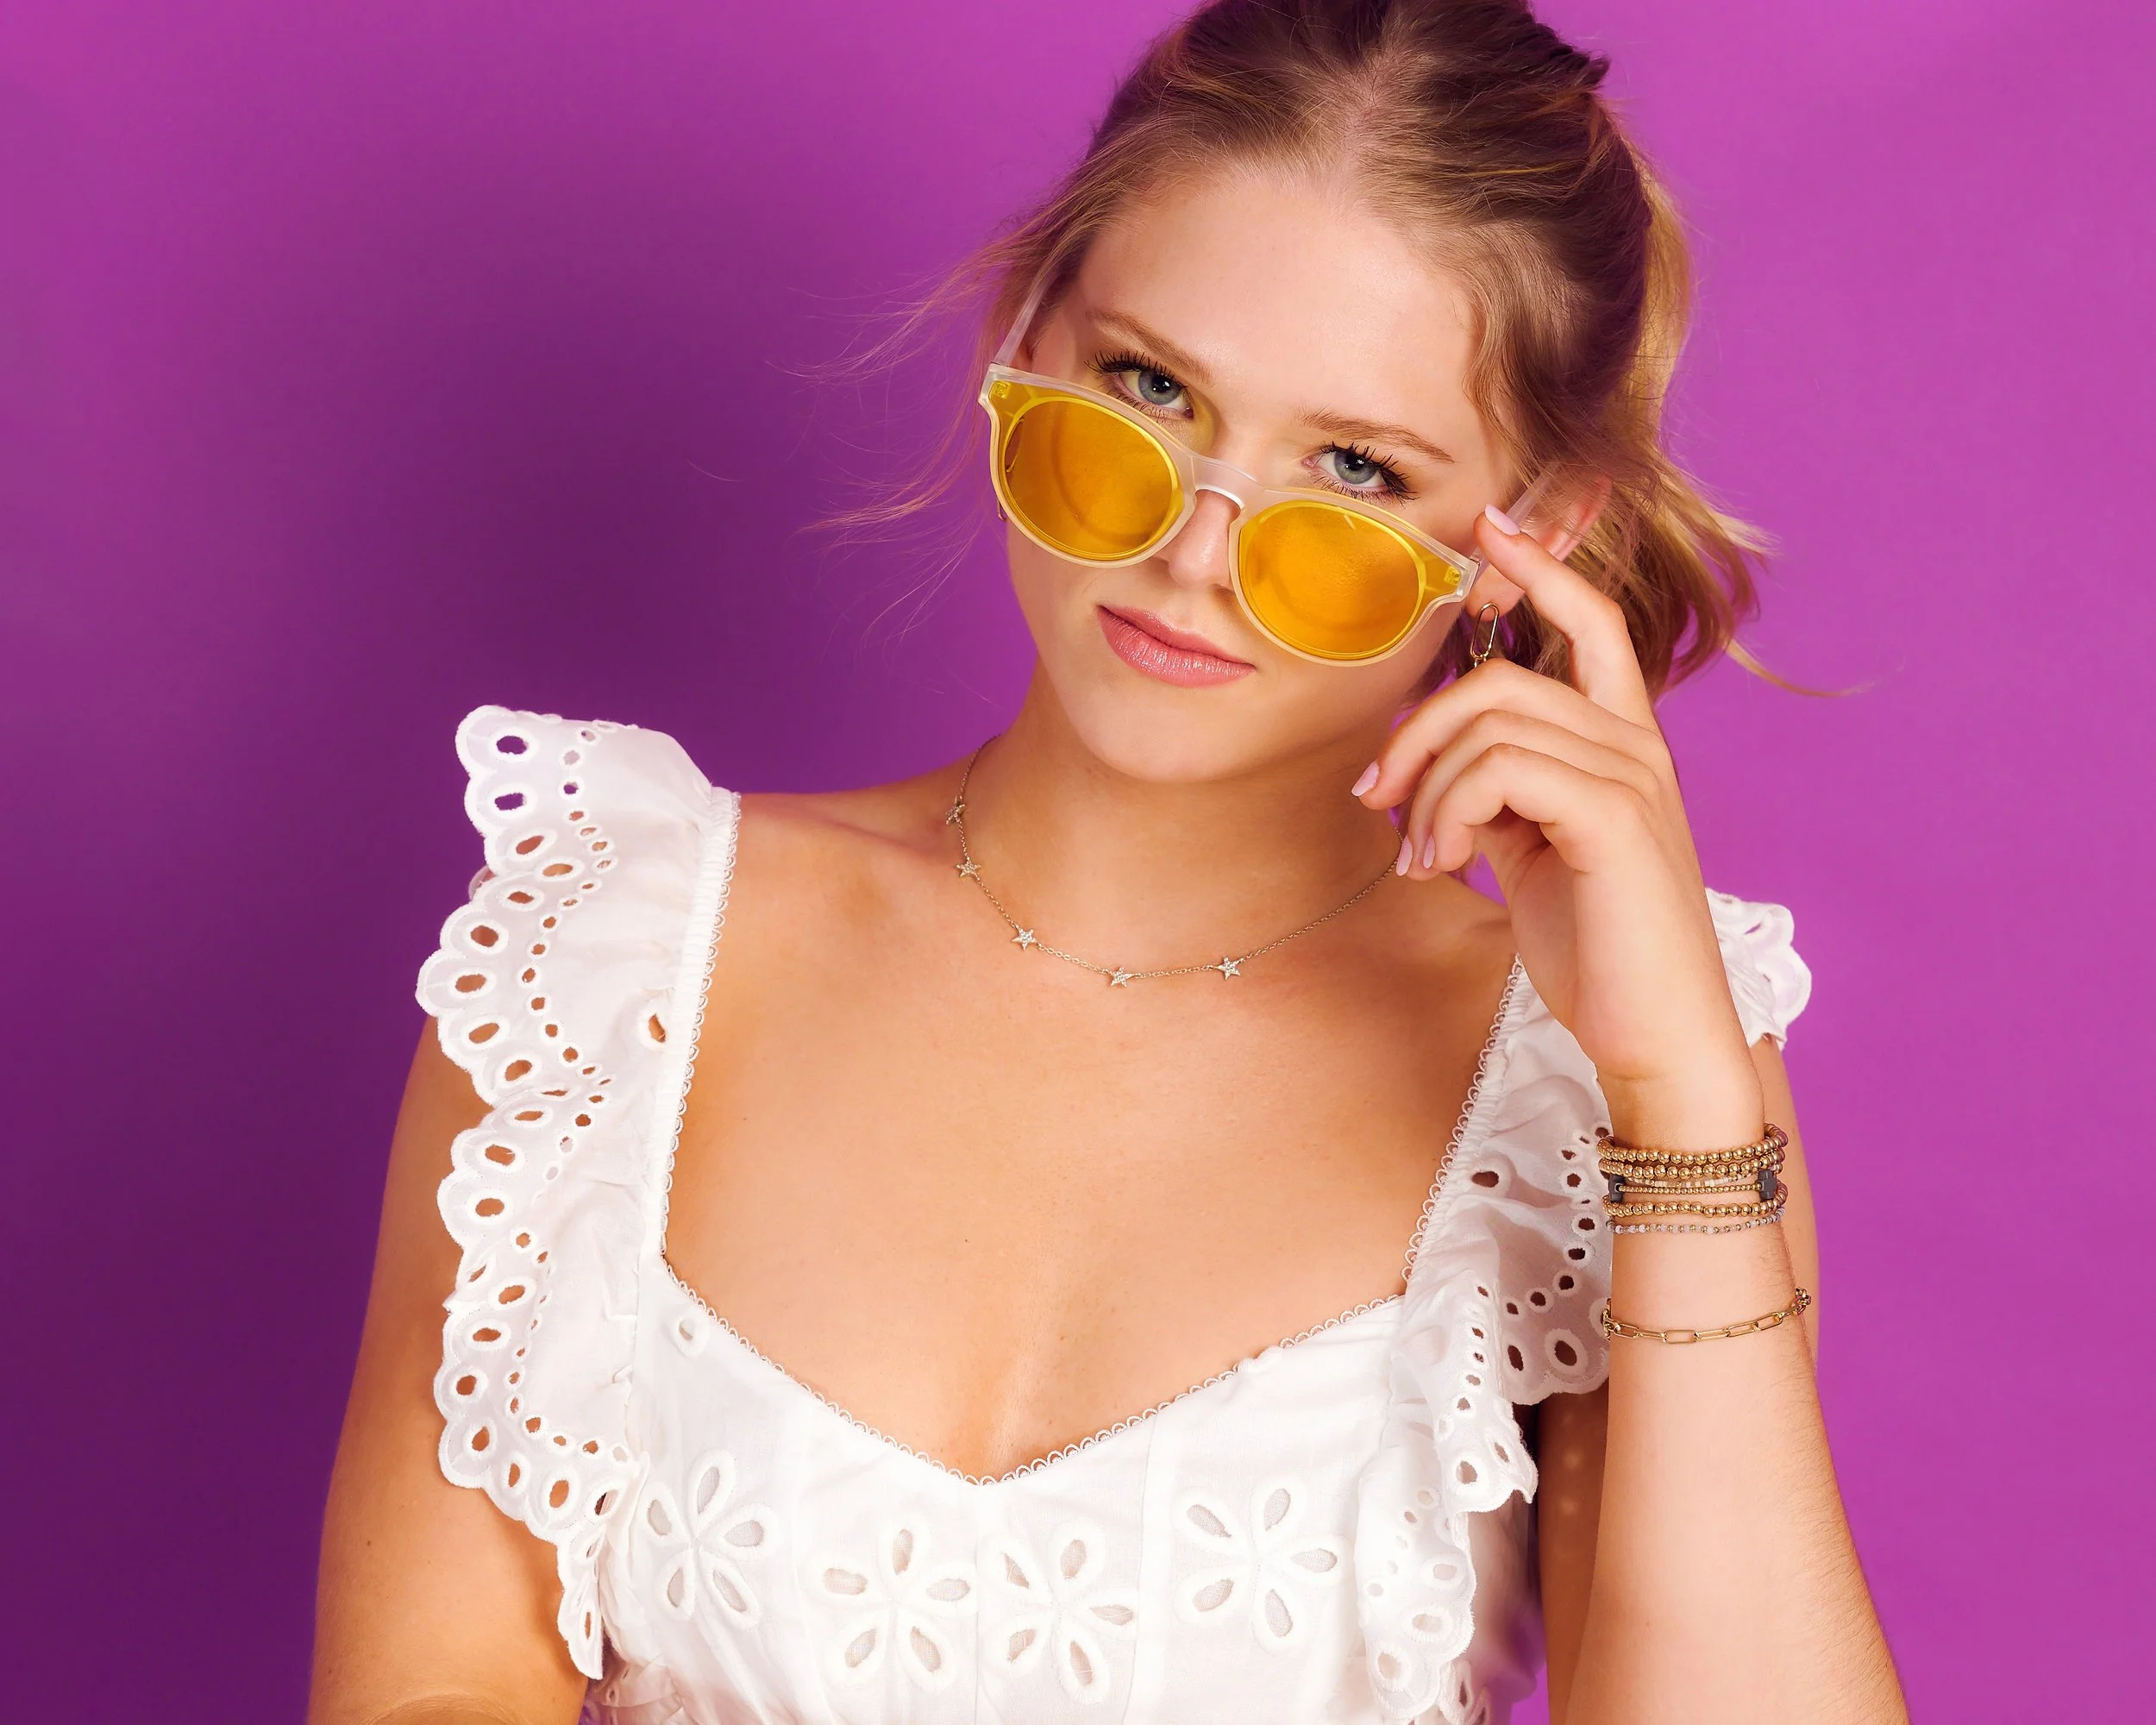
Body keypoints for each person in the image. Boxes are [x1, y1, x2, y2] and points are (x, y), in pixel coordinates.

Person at [310, 2, 1908, 1720]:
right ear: (1023, 336)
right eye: (1146, 392)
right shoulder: (610, 960)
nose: (1193, 549)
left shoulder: (1609, 1094)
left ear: (1534, 537)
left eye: (1353, 471)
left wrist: (1673, 1095)